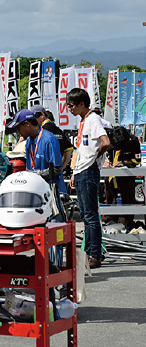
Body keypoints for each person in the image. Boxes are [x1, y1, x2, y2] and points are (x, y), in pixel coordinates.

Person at [68, 88, 110, 269]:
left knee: (91, 216)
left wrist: (95, 158)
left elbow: (105, 142)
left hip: (88, 171)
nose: (69, 109)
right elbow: (80, 149)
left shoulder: (93, 119)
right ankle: (91, 253)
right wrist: (74, 171)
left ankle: (95, 254)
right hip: (81, 170)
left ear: (82, 104)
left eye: (71, 106)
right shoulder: (84, 120)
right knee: (85, 215)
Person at [7, 109, 67, 220]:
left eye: (18, 128)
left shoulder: (49, 139)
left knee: (54, 226)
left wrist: (35, 175)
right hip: (37, 191)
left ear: (27, 124)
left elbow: (57, 168)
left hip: (53, 194)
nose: (18, 132)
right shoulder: (29, 140)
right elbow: (30, 167)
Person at [103, 126, 141, 229]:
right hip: (110, 176)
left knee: (127, 200)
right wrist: (106, 162)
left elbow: (137, 161)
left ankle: (125, 225)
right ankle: (110, 223)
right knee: (110, 198)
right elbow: (104, 154)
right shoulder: (109, 137)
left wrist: (124, 162)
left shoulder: (133, 141)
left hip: (126, 177)